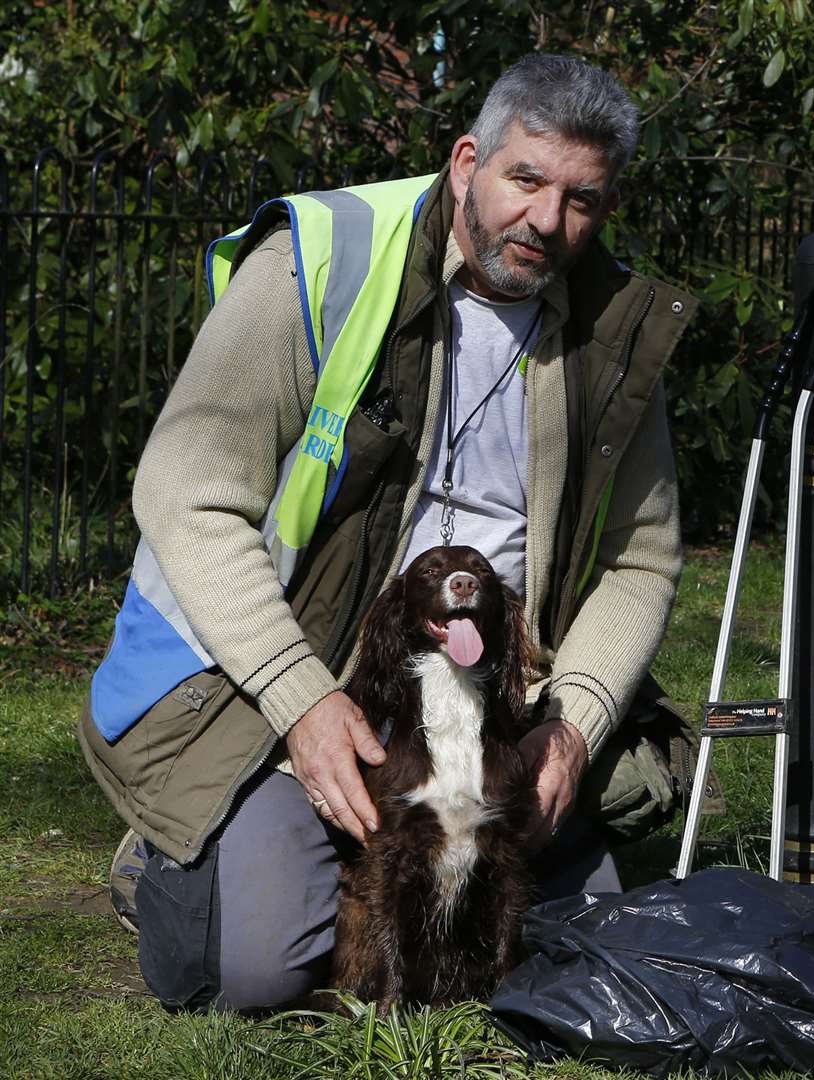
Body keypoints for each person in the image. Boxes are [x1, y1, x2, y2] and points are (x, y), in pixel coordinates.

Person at [78, 53, 702, 1012]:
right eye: (525, 179)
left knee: (569, 954)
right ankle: (189, 848)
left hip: (492, 698)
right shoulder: (319, 261)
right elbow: (185, 492)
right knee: (258, 973)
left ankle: (389, 837)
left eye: (581, 200)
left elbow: (642, 557)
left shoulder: (613, 327)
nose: (546, 221)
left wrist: (571, 724)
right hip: (280, 674)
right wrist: (300, 700)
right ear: (466, 163)